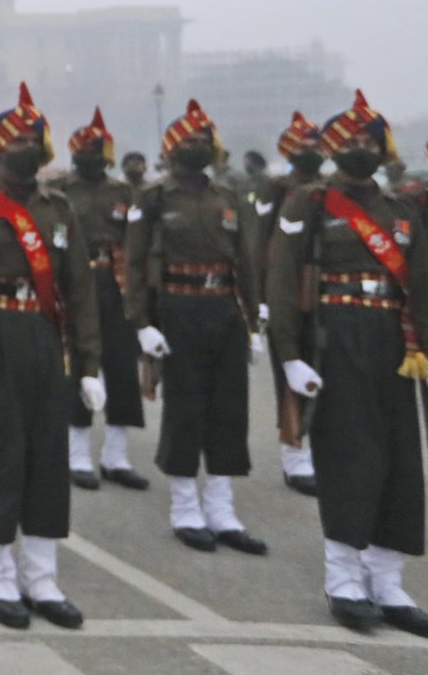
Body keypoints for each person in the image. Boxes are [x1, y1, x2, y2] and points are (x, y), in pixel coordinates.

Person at [266, 92, 428, 633]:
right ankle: (343, 579)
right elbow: (285, 282)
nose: (361, 150)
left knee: (401, 462)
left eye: (369, 142)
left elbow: (420, 290)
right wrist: (289, 356)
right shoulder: (309, 204)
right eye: (351, 143)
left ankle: (387, 582)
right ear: (334, 150)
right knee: (350, 459)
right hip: (336, 339)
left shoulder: (403, 212)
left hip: (395, 343)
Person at [0, 84, 102, 630]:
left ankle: (42, 578)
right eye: (14, 138)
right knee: (2, 458)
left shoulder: (58, 207)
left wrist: (89, 364)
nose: (25, 146)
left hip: (44, 340)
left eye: (31, 138)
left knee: (48, 460)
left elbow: (80, 292)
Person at [125, 99, 268, 554]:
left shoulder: (228, 197)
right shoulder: (153, 198)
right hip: (178, 311)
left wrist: (254, 317)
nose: (196, 146)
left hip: (223, 309)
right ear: (170, 148)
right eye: (187, 141)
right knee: (185, 410)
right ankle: (186, 507)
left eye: (203, 140)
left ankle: (222, 510)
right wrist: (142, 324)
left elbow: (244, 260)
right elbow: (133, 267)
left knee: (229, 410)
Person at [61, 108, 149, 490]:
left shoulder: (123, 193)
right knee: (81, 363)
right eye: (85, 150)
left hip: (116, 284)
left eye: (98, 150)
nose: (92, 156)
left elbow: (138, 243)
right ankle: (77, 454)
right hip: (78, 282)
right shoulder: (62, 193)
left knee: (122, 365)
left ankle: (116, 456)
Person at [252, 112, 326, 496]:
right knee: (292, 375)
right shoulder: (277, 190)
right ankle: (295, 458)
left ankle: (323, 454)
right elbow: (260, 242)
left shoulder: (331, 191)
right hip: (286, 288)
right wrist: (263, 298)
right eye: (303, 147)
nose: (310, 152)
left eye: (316, 146)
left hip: (323, 292)